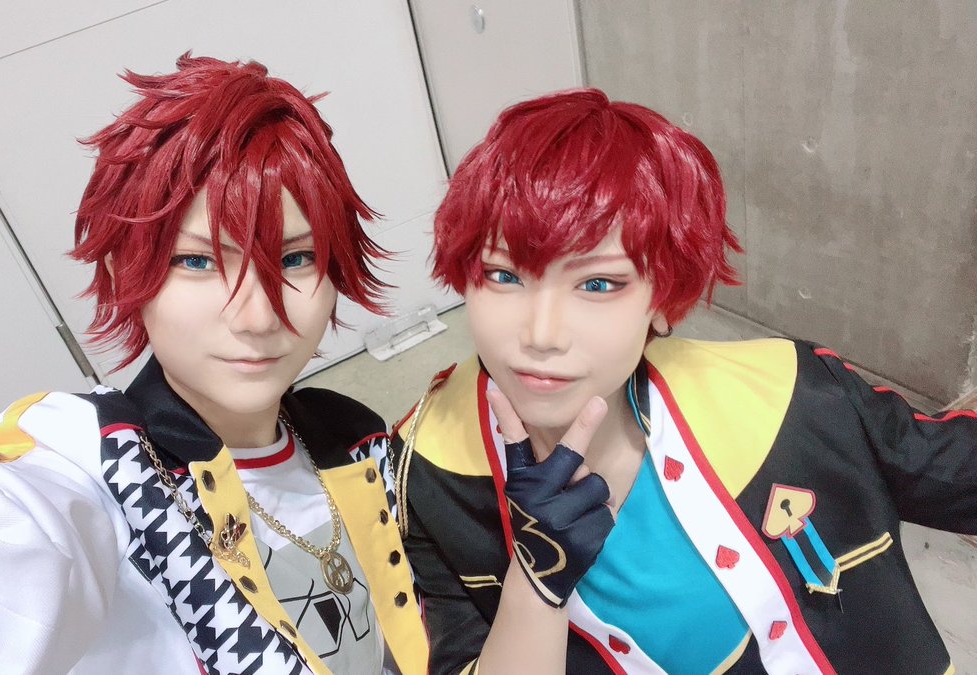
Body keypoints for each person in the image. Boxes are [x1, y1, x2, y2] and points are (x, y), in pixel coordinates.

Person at [0, 54, 427, 674]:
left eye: (294, 259)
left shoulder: (353, 437)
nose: (257, 317)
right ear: (123, 273)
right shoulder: (107, 468)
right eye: (198, 261)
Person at [392, 88, 977, 674]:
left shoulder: (793, 397)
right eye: (502, 275)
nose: (541, 334)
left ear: (663, 300)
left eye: (597, 284)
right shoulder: (430, 473)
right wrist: (536, 586)